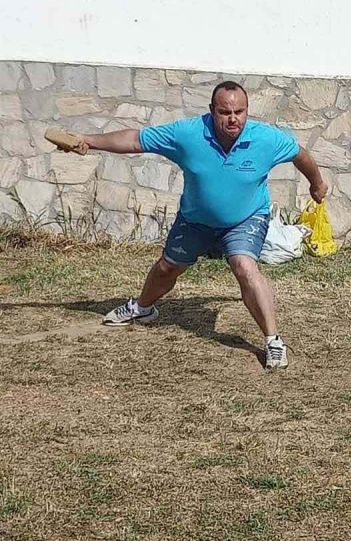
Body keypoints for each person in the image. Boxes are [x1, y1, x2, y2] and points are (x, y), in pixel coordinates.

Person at [66, 81, 327, 370]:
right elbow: (136, 140)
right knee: (167, 267)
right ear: (212, 110)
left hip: (246, 218)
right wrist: (88, 140)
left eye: (239, 112)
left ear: (247, 111)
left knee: (244, 266)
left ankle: (273, 341)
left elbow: (300, 154)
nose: (233, 119)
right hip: (195, 220)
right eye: (224, 112)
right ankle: (142, 308)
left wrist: (316, 184)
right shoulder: (187, 134)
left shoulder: (266, 139)